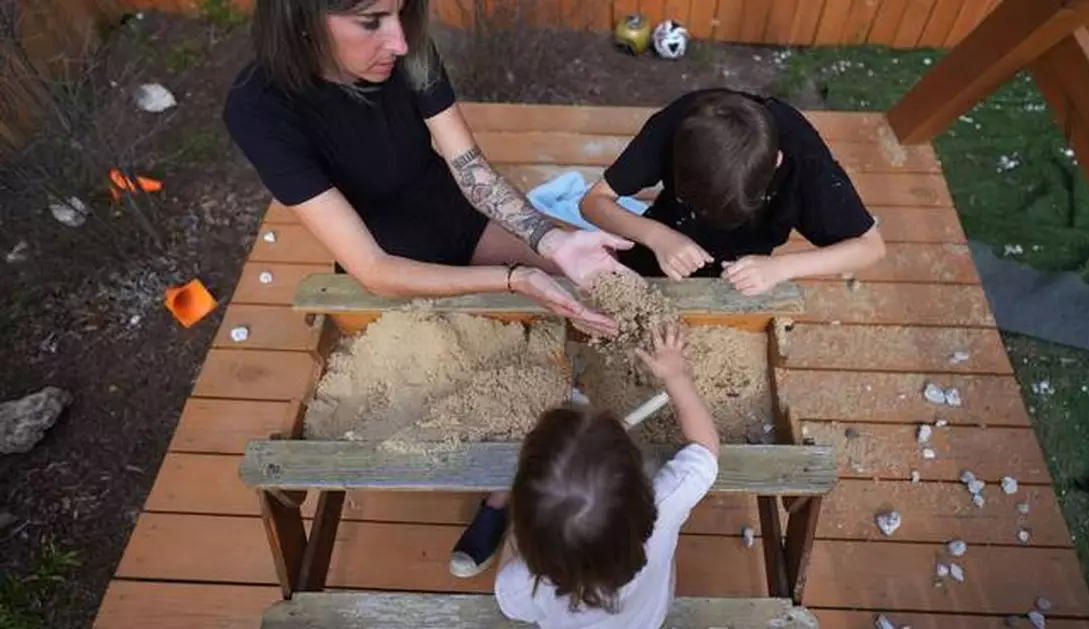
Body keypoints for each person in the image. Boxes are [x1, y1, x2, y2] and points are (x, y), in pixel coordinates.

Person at [221, 0, 633, 579]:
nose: (398, 41)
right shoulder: (259, 108)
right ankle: (504, 492)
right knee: (480, 380)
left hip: (454, 217)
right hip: (392, 270)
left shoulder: (404, 43)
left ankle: (531, 471)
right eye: (371, 21)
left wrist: (552, 242)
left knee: (588, 285)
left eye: (401, 12)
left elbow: (470, 170)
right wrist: (515, 279)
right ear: (303, 16)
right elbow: (372, 267)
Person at [494, 322, 718, 628]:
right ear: (642, 488)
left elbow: (514, 608)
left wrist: (515, 528)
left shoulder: (523, 582)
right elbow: (705, 449)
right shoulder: (665, 503)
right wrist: (676, 377)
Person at [581, 88, 886, 295]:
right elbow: (593, 201)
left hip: (748, 256)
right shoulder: (678, 125)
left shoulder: (805, 161)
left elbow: (871, 246)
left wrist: (781, 268)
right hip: (671, 229)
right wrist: (656, 236)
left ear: (776, 162)